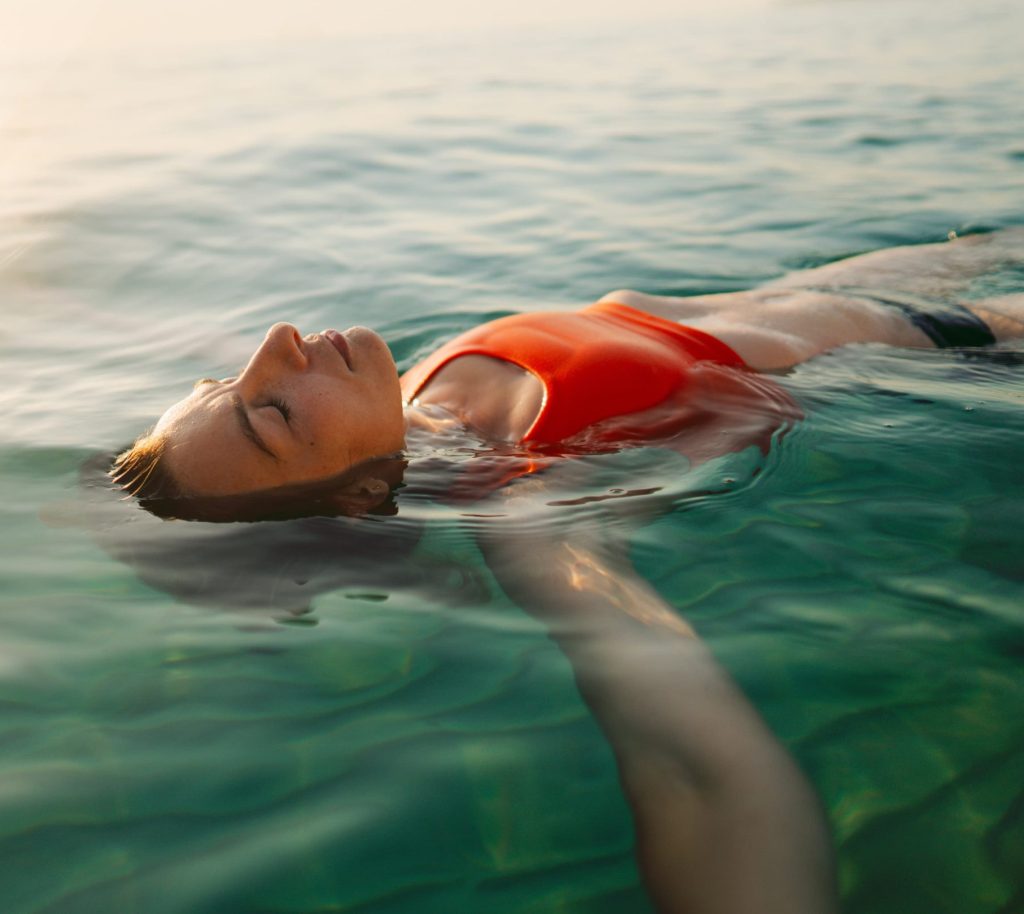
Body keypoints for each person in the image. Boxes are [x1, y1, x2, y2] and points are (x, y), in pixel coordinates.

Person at [111, 228, 1024, 913]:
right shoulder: (534, 509)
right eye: (270, 415)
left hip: (841, 284)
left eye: (227, 385)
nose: (273, 341)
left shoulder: (417, 402)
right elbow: (697, 764)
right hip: (955, 342)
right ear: (353, 501)